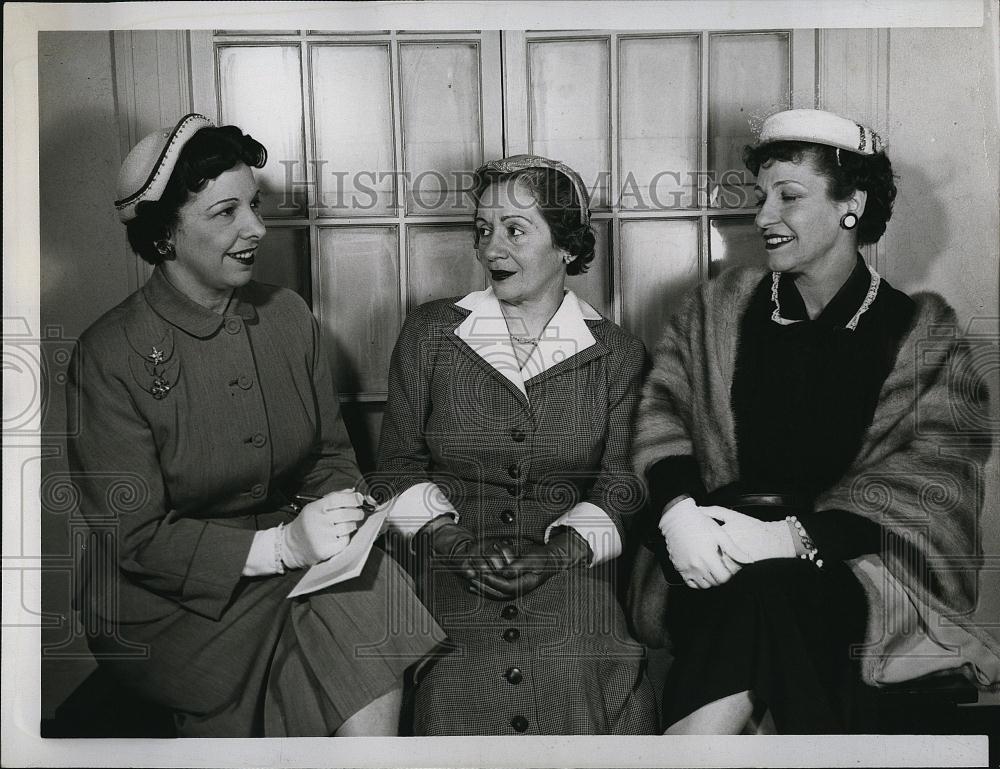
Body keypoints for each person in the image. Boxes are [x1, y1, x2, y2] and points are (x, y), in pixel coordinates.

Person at [67, 113, 443, 737]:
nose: (257, 228)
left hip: (297, 563)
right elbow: (133, 538)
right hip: (164, 607)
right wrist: (280, 548)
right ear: (164, 236)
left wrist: (338, 517)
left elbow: (329, 453)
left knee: (370, 593)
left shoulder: (287, 316)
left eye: (255, 205)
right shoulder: (106, 354)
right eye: (225, 213)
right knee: (337, 632)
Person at [629, 108, 999, 734]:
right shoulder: (718, 308)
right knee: (753, 597)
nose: (764, 216)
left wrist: (790, 541)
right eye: (762, 196)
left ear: (851, 203)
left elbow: (934, 486)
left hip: (854, 578)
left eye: (789, 197)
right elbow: (659, 418)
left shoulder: (918, 332)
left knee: (770, 594)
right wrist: (677, 514)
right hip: (709, 559)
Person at [374, 155, 657, 735]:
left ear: (568, 247)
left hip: (571, 571)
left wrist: (556, 556)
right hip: (451, 569)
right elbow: (397, 466)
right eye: (483, 230)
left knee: (576, 657)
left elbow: (621, 484)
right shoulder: (431, 333)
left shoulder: (617, 354)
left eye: (515, 230)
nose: (491, 248)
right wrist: (452, 544)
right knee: (455, 671)